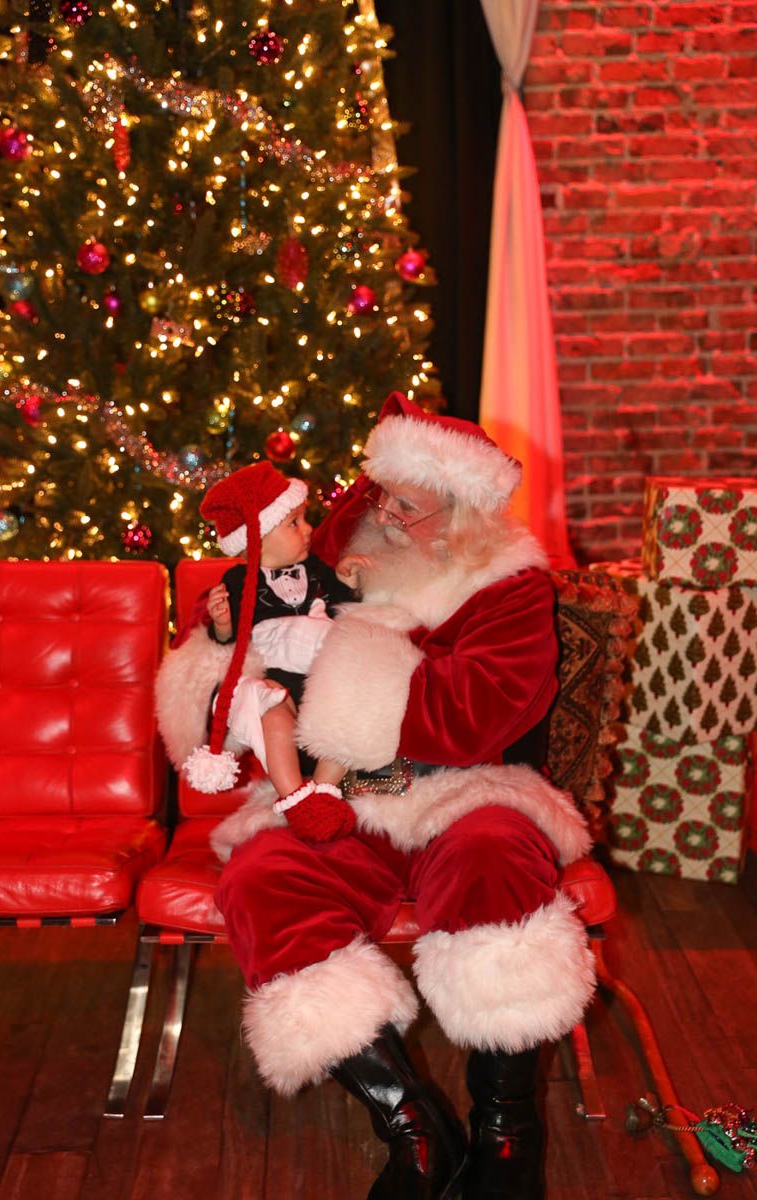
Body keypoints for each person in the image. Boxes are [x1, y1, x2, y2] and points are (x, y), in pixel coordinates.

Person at [155, 394, 595, 1200]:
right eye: (380, 493)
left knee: (496, 859)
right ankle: (413, 1127)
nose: (382, 515)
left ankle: (507, 1130)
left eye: (406, 506)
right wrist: (224, 649)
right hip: (335, 798)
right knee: (261, 879)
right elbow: (251, 613)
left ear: (463, 517)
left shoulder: (510, 588)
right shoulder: (341, 542)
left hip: (463, 793)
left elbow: (471, 717)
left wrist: (353, 649)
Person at [178, 459, 365, 844]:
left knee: (349, 712)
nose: (308, 529)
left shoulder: (316, 569)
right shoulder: (237, 579)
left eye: (304, 520)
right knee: (273, 713)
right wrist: (223, 622)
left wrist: (348, 578)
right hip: (279, 687)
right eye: (294, 523)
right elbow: (229, 641)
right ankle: (294, 796)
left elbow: (347, 608)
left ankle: (325, 791)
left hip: (322, 684)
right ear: (257, 539)